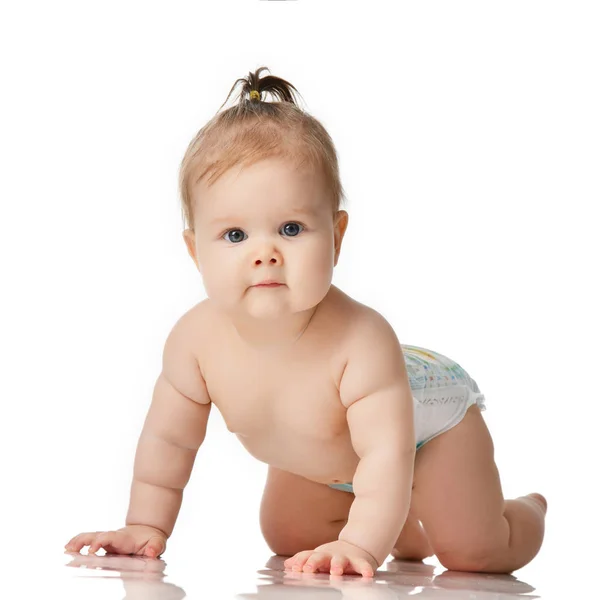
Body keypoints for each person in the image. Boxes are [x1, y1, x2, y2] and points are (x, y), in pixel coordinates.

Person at [64, 66, 547, 577]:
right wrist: (146, 526)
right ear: (194, 250)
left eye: (291, 229)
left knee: (474, 553)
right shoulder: (194, 341)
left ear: (337, 236)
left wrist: (360, 545)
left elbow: (385, 455)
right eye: (234, 236)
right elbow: (169, 442)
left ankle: (524, 512)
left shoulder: (361, 341)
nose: (265, 254)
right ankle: (401, 523)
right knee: (289, 536)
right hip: (327, 465)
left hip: (428, 429)